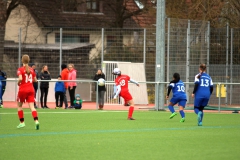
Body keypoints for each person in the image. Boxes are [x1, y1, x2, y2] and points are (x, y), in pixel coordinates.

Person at [16, 54, 40, 130]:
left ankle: (22, 122)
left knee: (19, 106)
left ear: (22, 60)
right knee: (32, 107)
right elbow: (35, 80)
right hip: (31, 89)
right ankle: (36, 121)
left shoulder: (20, 69)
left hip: (23, 89)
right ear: (29, 60)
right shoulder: (32, 70)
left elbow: (20, 78)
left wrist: (18, 83)